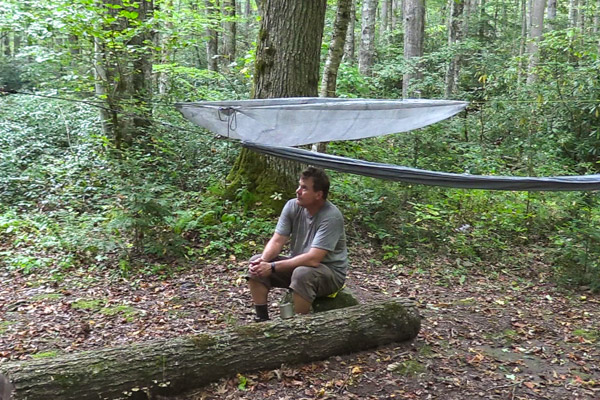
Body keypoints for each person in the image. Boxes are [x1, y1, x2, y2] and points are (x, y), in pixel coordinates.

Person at [248, 167, 348, 321]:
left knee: (302, 273)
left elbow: (313, 259)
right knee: (255, 262)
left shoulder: (331, 217)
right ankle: (261, 320)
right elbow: (277, 240)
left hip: (329, 273)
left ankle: (299, 327)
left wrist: (273, 267)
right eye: (299, 186)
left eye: (304, 188)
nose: (298, 191)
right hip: (298, 265)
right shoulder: (292, 206)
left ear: (318, 194)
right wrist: (264, 261)